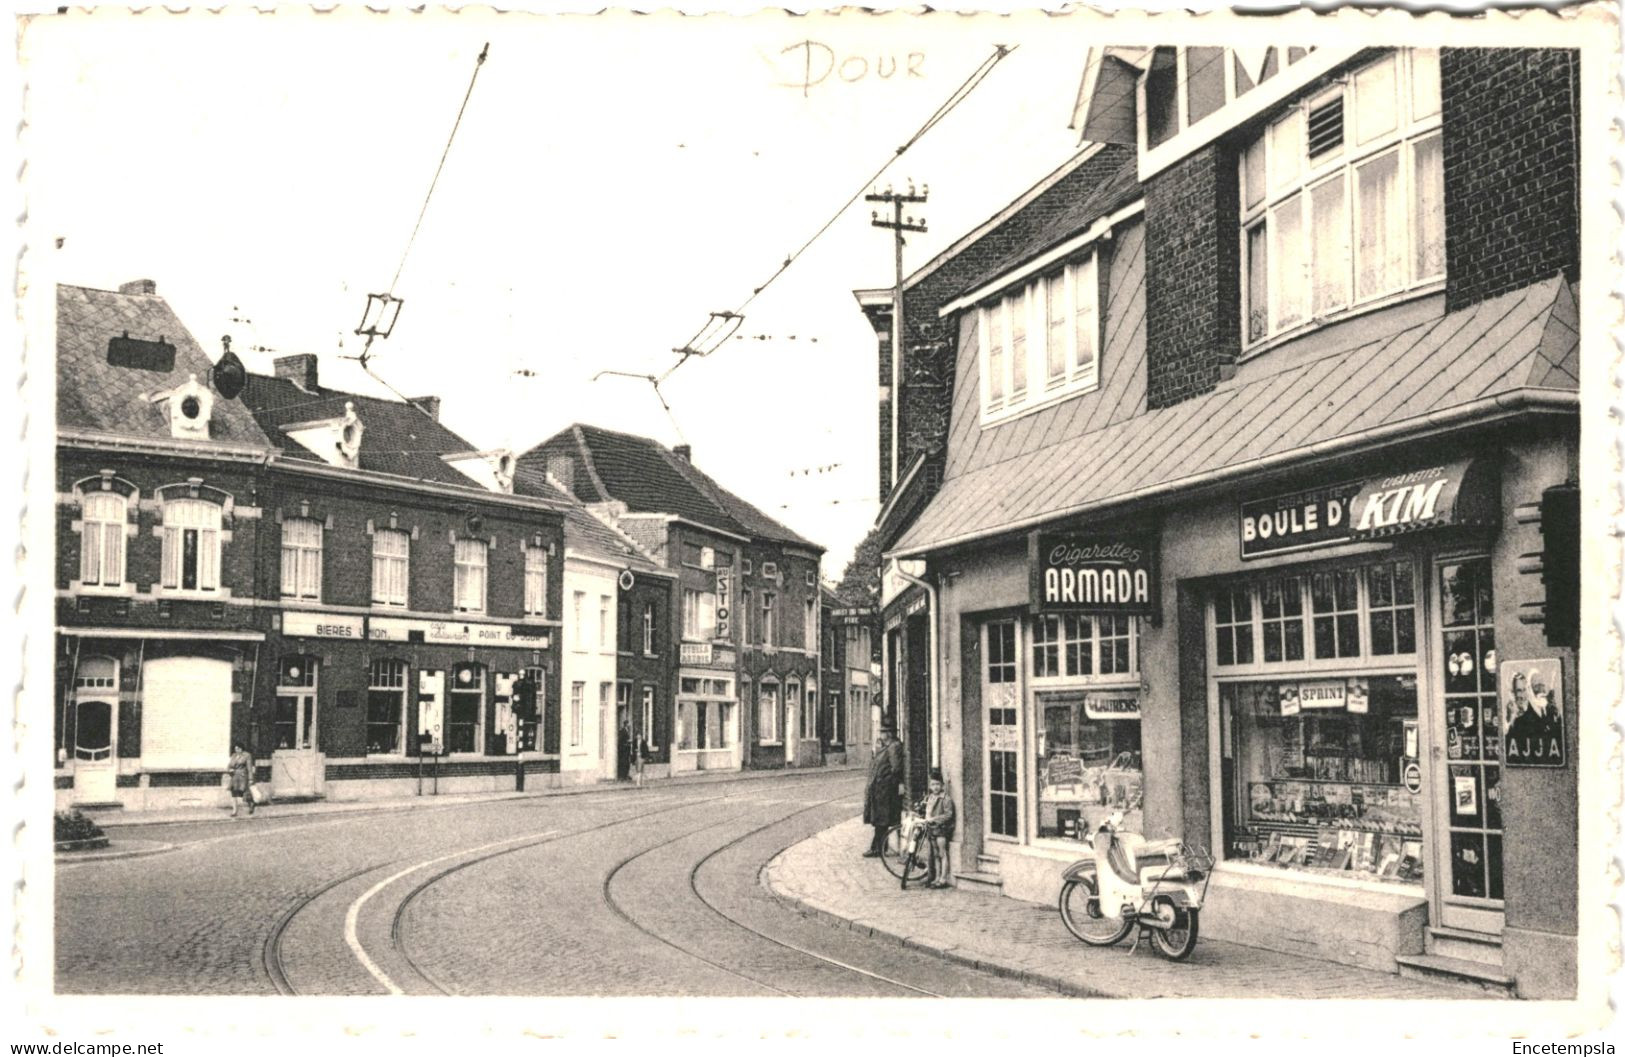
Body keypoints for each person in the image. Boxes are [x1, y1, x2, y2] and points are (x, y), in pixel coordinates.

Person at [862, 723, 904, 857]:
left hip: (885, 791)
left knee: (882, 819)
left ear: (888, 734)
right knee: (880, 819)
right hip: (880, 790)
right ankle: (879, 847)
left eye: (882, 732)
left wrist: (886, 782)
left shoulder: (893, 747)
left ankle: (878, 848)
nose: (880, 735)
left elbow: (896, 768)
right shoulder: (886, 747)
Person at [1506, 670, 1564, 763]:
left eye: (1542, 685)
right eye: (1536, 686)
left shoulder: (1554, 715)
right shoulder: (1519, 722)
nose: (1541, 690)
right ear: (1530, 690)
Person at [919, 767, 956, 888]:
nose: (935, 787)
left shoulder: (945, 799)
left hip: (941, 829)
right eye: (933, 784)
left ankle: (943, 878)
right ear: (930, 786)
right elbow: (928, 812)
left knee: (942, 853)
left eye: (937, 784)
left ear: (942, 785)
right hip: (932, 829)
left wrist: (934, 820)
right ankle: (936, 877)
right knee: (935, 855)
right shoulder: (931, 798)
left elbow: (948, 814)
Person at [227, 742, 255, 818]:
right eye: (235, 749)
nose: (237, 750)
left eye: (238, 748)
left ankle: (251, 804)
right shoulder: (233, 756)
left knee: (245, 793)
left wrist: (250, 779)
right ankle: (234, 811)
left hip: (243, 776)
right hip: (234, 776)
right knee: (233, 793)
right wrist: (229, 770)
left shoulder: (247, 755)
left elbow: (249, 768)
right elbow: (229, 765)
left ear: (242, 748)